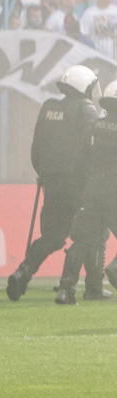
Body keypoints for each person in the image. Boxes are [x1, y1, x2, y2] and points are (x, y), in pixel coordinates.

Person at [8, 66, 105, 302]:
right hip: (78, 185)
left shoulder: (49, 107)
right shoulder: (86, 110)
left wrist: (45, 174)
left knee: (52, 236)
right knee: (91, 233)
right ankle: (81, 287)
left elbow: (36, 149)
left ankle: (23, 272)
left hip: (51, 184)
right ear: (84, 86)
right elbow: (93, 149)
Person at [52, 74, 117, 306]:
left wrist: (81, 193)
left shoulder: (95, 127)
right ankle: (114, 272)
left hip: (91, 192)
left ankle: (66, 290)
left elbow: (80, 163)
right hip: (114, 194)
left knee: (80, 241)